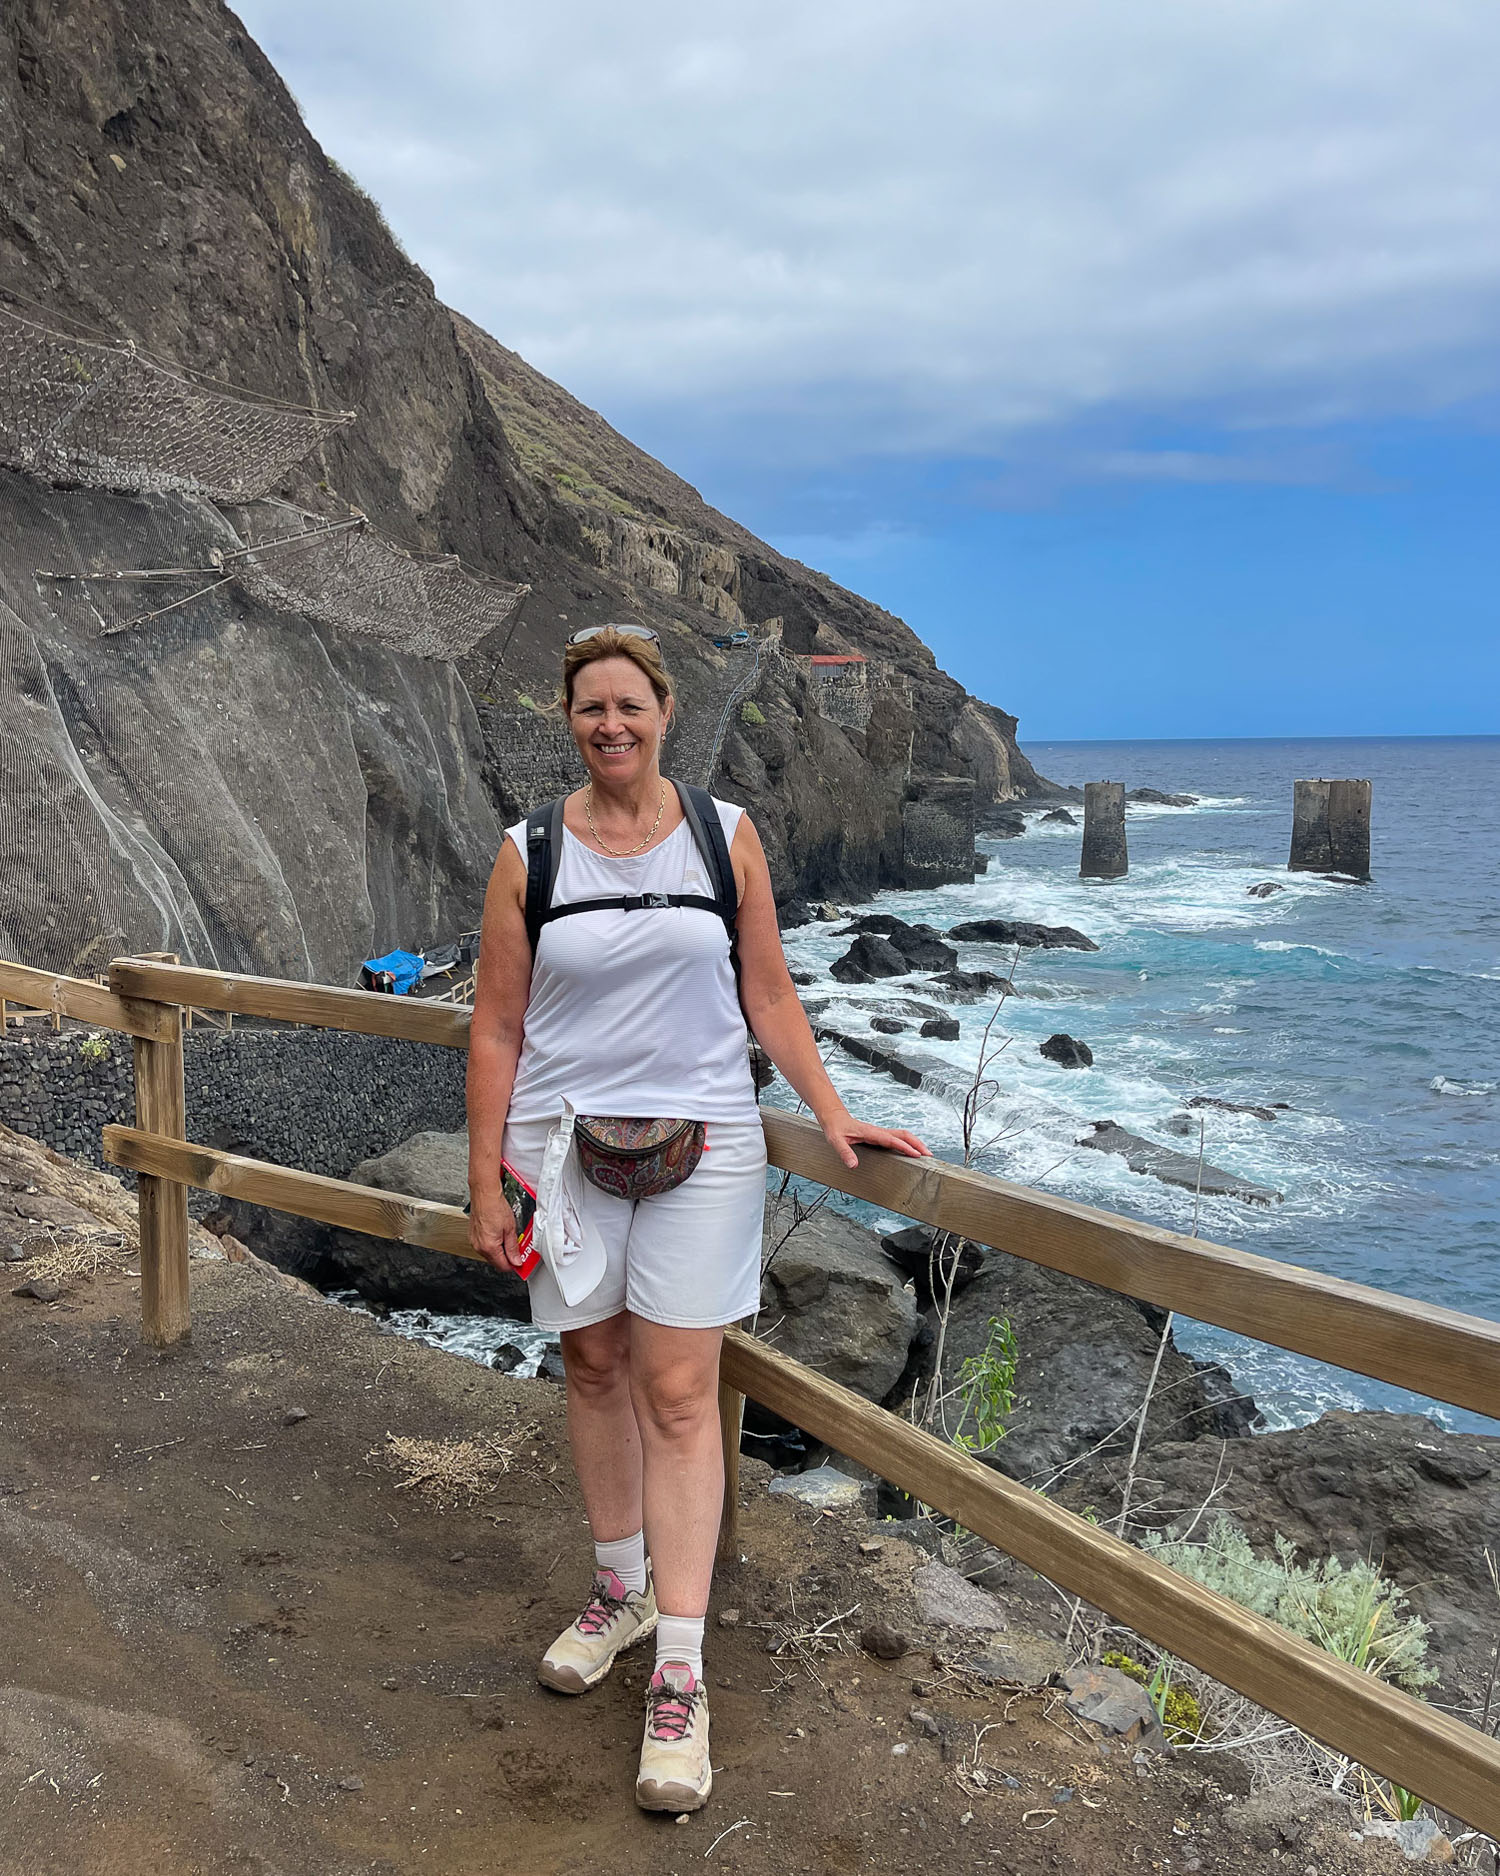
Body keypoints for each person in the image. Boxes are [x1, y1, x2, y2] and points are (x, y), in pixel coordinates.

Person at [466, 624, 929, 1814]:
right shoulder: (531, 851)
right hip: (559, 1150)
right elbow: (499, 1027)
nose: (610, 725)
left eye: (629, 705)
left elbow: (767, 989)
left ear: (666, 711)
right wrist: (483, 1173)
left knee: (678, 1389)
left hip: (708, 1144)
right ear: (567, 721)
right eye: (589, 710)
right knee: (590, 1364)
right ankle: (617, 1588)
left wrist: (835, 1115)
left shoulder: (726, 837)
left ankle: (681, 1665)